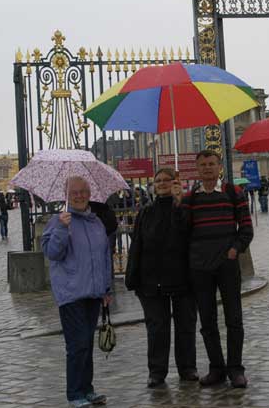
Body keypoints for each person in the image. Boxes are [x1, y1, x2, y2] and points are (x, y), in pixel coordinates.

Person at [182, 150, 253, 389]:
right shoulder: (190, 199)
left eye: (211, 164)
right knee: (207, 321)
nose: (207, 168)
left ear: (219, 166)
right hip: (200, 268)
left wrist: (234, 250)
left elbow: (246, 229)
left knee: (234, 319)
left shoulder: (233, 193)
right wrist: (179, 206)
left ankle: (236, 369)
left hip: (226, 265)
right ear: (197, 169)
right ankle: (217, 368)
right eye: (203, 165)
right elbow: (183, 231)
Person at [41, 176, 112, 408]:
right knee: (77, 344)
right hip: (70, 292)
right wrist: (62, 228)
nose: (80, 196)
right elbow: (52, 253)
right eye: (74, 192)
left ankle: (87, 389)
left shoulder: (96, 222)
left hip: (93, 292)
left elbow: (104, 257)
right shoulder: (58, 221)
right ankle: (74, 394)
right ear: (66, 195)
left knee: (87, 343)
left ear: (89, 194)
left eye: (83, 191)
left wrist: (106, 288)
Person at [125, 167, 198, 388]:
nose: (162, 183)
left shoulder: (185, 208)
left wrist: (179, 204)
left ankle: (187, 367)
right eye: (158, 181)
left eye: (167, 180)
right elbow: (137, 244)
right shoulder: (146, 212)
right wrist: (132, 276)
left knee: (186, 325)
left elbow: (189, 233)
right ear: (154, 186)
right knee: (157, 328)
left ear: (176, 182)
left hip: (183, 276)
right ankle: (157, 371)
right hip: (152, 278)